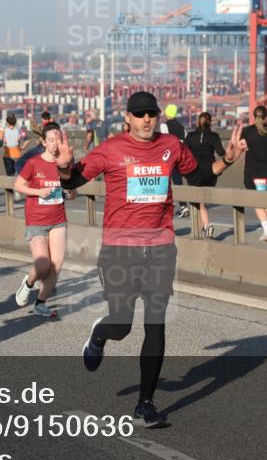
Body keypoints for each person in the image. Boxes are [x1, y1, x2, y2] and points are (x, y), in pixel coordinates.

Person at [56, 91, 244, 427]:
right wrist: (65, 166)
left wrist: (227, 160)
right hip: (120, 249)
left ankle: (145, 404)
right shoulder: (110, 149)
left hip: (160, 247)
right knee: (122, 324)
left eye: (151, 114)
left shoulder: (171, 145)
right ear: (127, 117)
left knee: (156, 325)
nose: (146, 120)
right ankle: (100, 334)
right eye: (140, 114)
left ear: (158, 116)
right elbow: (73, 181)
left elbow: (200, 176)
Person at [13, 122, 74, 318]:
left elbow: (73, 193)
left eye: (58, 139)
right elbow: (18, 185)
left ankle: (40, 303)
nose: (55, 143)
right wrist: (38, 191)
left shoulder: (65, 164)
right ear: (44, 142)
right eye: (51, 140)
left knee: (56, 264)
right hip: (36, 220)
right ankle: (29, 282)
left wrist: (69, 191)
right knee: (43, 265)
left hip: (58, 220)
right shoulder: (33, 163)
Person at [239, 105, 267, 242]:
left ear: (254, 116)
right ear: (266, 116)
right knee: (266, 197)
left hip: (253, 170)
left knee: (256, 200)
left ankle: (266, 231)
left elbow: (241, 147)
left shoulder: (246, 131)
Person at [184, 112, 226, 238]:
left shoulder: (190, 136)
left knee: (198, 202)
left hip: (194, 170)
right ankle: (203, 226)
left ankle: (206, 226)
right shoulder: (214, 136)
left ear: (198, 121)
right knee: (201, 201)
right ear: (210, 122)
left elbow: (184, 152)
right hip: (210, 171)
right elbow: (221, 152)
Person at [161, 104, 188, 217]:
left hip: (169, 157)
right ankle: (183, 206)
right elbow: (185, 142)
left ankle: (167, 206)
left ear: (167, 113)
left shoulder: (164, 125)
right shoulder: (182, 127)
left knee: (165, 183)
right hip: (179, 156)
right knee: (178, 181)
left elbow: (164, 142)